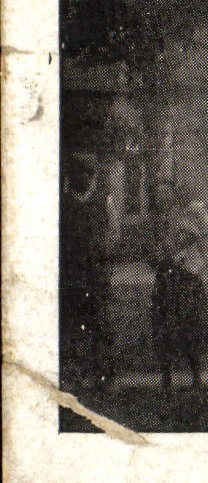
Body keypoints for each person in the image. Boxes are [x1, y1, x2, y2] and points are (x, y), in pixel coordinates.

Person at [151, 178, 208, 391]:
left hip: (186, 278)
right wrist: (155, 259)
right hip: (164, 279)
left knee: (190, 325)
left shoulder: (188, 214)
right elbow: (150, 248)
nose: (162, 198)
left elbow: (204, 238)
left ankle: (196, 376)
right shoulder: (156, 221)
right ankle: (166, 377)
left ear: (173, 195)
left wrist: (191, 263)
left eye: (166, 193)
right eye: (158, 194)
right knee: (163, 327)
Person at [60, 151, 114, 388]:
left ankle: (102, 374)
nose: (84, 178)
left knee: (100, 324)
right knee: (73, 324)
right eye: (78, 173)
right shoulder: (64, 204)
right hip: (72, 274)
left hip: (96, 273)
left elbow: (111, 234)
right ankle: (75, 373)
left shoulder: (102, 202)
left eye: (88, 173)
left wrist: (104, 255)